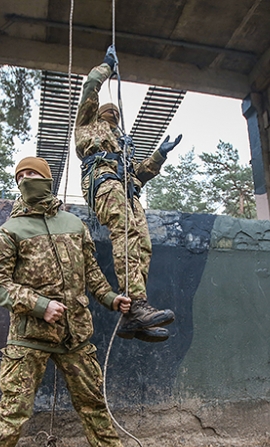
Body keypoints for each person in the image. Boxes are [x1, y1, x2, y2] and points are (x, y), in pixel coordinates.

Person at [0, 157, 158, 447]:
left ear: (48, 179)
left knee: (94, 407)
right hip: (28, 340)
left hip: (75, 338)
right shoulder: (9, 232)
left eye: (32, 174)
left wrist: (111, 299)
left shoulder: (74, 225)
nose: (25, 179)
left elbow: (91, 274)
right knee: (11, 415)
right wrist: (39, 304)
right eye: (19, 175)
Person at [75, 45, 182, 343]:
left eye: (115, 114)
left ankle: (135, 315)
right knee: (124, 232)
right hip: (104, 182)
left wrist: (159, 155)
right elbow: (90, 87)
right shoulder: (86, 125)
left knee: (142, 241)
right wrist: (106, 67)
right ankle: (135, 304)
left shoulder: (123, 144)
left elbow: (139, 175)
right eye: (109, 112)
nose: (113, 114)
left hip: (126, 189)